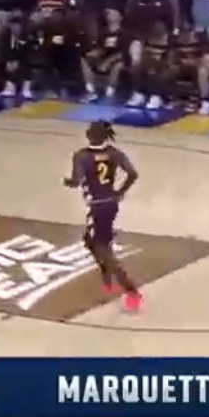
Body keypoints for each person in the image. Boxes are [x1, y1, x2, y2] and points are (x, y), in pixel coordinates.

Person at [63, 121, 142, 312]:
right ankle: (107, 278)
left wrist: (68, 182)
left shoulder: (81, 156)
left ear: (89, 135)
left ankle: (131, 291)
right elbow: (133, 173)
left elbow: (76, 180)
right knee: (90, 241)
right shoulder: (114, 153)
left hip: (97, 206)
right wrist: (119, 191)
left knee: (102, 249)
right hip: (110, 203)